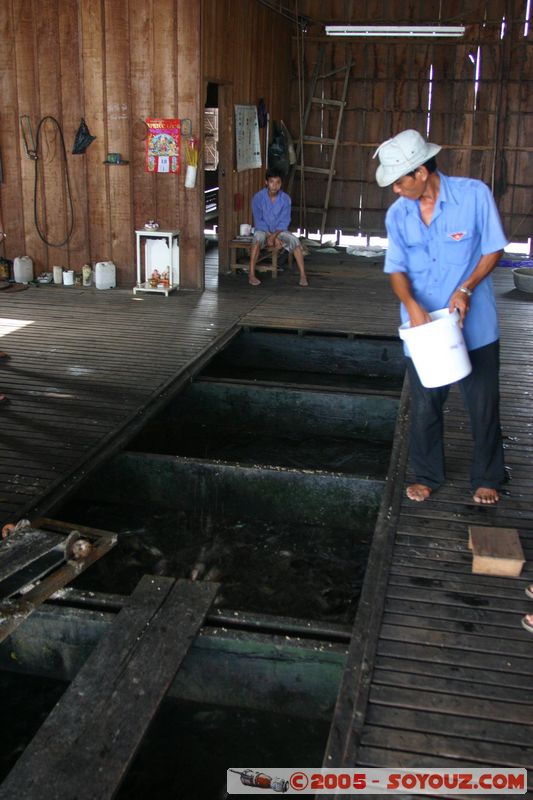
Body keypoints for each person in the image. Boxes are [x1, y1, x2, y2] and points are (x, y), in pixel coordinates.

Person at [373, 129, 508, 505]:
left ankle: (487, 476)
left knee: (482, 403)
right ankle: (428, 475)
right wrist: (412, 306)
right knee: (426, 404)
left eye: (399, 182)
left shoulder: (473, 195)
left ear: (421, 173)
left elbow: (493, 249)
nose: (396, 191)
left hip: (474, 324)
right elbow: (396, 270)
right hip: (424, 330)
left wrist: (466, 288)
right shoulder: (397, 214)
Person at [249, 169, 308, 287]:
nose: (274, 186)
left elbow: (284, 220)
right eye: (271, 182)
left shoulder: (285, 199)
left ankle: (303, 275)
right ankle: (251, 274)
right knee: (257, 239)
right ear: (266, 182)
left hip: (279, 231)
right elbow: (258, 220)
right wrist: (269, 236)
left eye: (277, 183)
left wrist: (275, 236)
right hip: (263, 230)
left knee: (295, 241)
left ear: (281, 184)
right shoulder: (258, 197)